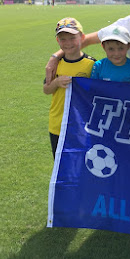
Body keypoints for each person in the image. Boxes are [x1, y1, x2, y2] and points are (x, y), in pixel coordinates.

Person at [43, 17, 96, 158]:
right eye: (63, 39)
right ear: (58, 41)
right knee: (60, 166)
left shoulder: (92, 65)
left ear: (82, 37)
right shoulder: (55, 65)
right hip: (58, 125)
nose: (68, 43)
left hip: (81, 125)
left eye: (72, 38)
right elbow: (46, 90)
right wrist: (56, 83)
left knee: (81, 165)